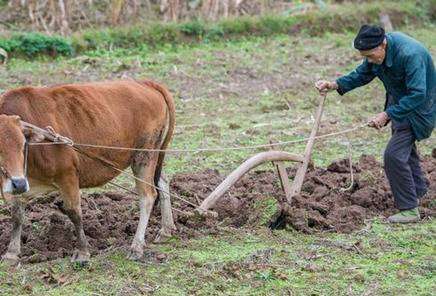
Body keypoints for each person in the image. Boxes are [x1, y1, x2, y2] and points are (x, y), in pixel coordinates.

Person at [315, 24, 435, 223]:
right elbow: (363, 73)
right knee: (405, 149)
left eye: (370, 55)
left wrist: (387, 114)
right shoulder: (377, 54)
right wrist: (335, 84)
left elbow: (418, 94)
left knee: (394, 155)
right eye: (365, 56)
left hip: (419, 106)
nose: (369, 60)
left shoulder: (410, 54)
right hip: (398, 101)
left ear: (384, 44)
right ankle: (419, 191)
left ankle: (409, 209)